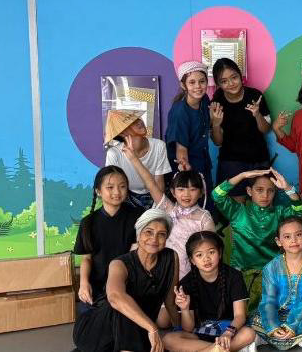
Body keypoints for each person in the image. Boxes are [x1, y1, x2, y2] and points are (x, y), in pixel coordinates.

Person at [73, 209, 178, 352]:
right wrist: (152, 328)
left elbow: (170, 301)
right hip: (96, 330)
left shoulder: (171, 257)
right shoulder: (119, 264)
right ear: (138, 235)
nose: (154, 239)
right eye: (148, 232)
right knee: (123, 304)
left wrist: (179, 329)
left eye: (161, 234)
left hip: (137, 330)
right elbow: (114, 297)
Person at [212, 168, 302, 308]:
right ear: (249, 191)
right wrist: (242, 175)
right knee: (241, 312)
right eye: (259, 190)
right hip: (241, 274)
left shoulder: (279, 213)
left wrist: (287, 188)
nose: (265, 195)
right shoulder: (238, 211)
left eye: (270, 191)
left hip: (272, 275)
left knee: (270, 311)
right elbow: (217, 195)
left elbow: (300, 211)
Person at [124, 141, 214, 279]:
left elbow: (210, 250)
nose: (186, 194)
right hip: (162, 272)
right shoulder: (168, 208)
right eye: (181, 189)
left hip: (191, 276)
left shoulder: (204, 218)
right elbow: (150, 183)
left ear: (201, 192)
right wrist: (133, 158)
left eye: (193, 189)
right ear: (173, 192)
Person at [162, 231, 256, 352]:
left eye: (211, 252)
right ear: (192, 260)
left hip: (228, 332)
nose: (206, 259)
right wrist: (184, 309)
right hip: (199, 333)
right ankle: (216, 350)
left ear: (220, 253)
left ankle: (212, 350)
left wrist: (228, 333)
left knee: (248, 333)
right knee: (168, 339)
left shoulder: (234, 276)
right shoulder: (186, 284)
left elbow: (240, 316)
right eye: (199, 255)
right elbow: (188, 329)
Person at [250, 216, 302, 350]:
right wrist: (272, 326)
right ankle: (291, 337)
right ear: (278, 241)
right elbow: (268, 299)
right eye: (287, 237)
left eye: (298, 235)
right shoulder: (271, 267)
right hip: (278, 311)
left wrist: (292, 325)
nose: (293, 240)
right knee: (256, 318)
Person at [74, 165, 146, 310]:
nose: (117, 192)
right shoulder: (88, 223)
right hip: (98, 288)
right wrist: (83, 283)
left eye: (122, 186)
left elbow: (135, 256)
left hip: (128, 285)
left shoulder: (138, 216)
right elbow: (87, 258)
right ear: (98, 191)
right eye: (110, 187)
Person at [209, 57, 272, 202]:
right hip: (231, 163)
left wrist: (257, 114)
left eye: (234, 77)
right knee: (236, 209)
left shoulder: (255, 96)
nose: (231, 83)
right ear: (218, 84)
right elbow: (218, 142)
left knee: (261, 205)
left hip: (258, 159)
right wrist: (216, 124)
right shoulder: (217, 101)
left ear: (240, 75)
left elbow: (265, 130)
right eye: (224, 81)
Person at [167, 61, 214, 209]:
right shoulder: (180, 112)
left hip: (203, 162)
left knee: (206, 206)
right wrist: (186, 168)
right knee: (191, 209)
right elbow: (181, 149)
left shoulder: (204, 100)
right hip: (187, 167)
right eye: (192, 82)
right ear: (183, 85)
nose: (198, 86)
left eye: (202, 81)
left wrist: (216, 120)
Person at [104, 109, 172, 208]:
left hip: (155, 194)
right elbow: (115, 186)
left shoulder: (159, 145)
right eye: (132, 122)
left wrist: (155, 210)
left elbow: (159, 184)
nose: (139, 122)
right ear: (122, 133)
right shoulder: (114, 154)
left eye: (138, 118)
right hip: (128, 196)